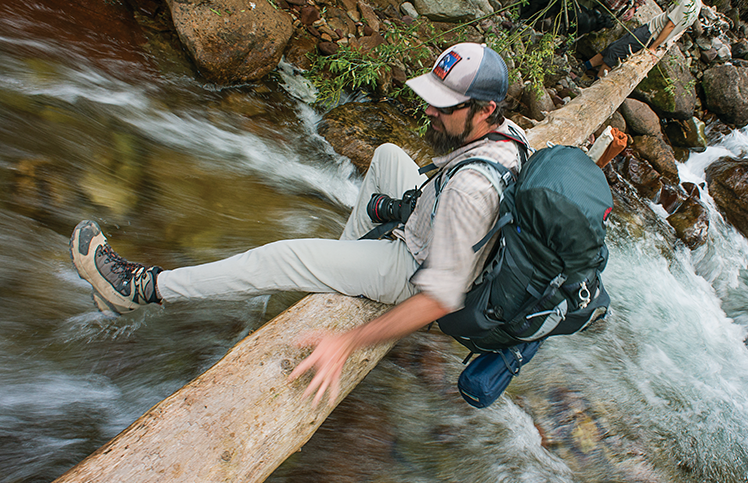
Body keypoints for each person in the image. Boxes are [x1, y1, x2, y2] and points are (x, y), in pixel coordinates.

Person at [69, 42, 529, 406]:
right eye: (432, 98)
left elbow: (439, 297)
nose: (430, 111)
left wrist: (347, 342)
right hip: (442, 229)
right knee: (389, 154)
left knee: (281, 256)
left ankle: (141, 290)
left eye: (445, 106)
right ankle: (341, 269)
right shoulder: (510, 138)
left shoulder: (472, 188)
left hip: (418, 272)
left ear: (485, 110)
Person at [582, 0, 715, 78]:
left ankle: (594, 82)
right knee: (613, 47)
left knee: (615, 52)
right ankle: (584, 67)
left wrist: (653, 47)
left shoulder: (687, 1)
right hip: (649, 30)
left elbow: (671, 25)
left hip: (650, 33)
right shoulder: (697, 6)